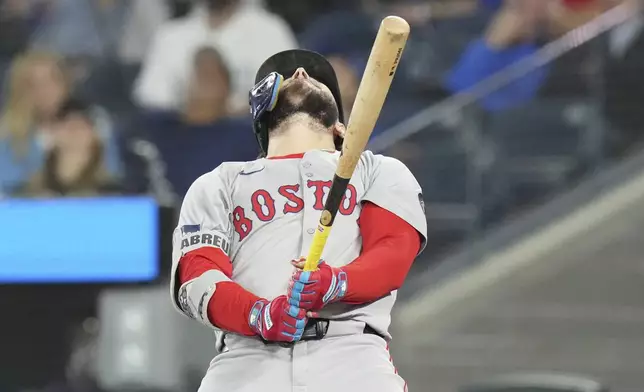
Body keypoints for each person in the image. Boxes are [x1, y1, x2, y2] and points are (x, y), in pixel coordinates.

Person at [169, 49, 427, 391]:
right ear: (261, 116)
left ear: (339, 124)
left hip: (351, 356)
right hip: (246, 360)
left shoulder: (377, 170)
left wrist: (335, 282)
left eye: (316, 77)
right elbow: (197, 275)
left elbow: (393, 251)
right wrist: (259, 314)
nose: (301, 72)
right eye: (286, 75)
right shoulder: (220, 183)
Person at [133, 0, 297, 114]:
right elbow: (150, 98)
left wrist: (227, 109)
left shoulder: (271, 31)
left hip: (248, 146)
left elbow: (290, 94)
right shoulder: (170, 35)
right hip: (183, 141)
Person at [143, 46, 259, 197]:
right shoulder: (159, 128)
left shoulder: (246, 136)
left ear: (226, 87)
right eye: (198, 72)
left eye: (211, 75)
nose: (203, 80)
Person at [16, 98, 121, 197]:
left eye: (82, 124)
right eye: (65, 122)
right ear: (51, 133)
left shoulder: (112, 195)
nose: (73, 128)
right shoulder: (29, 194)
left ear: (95, 135)